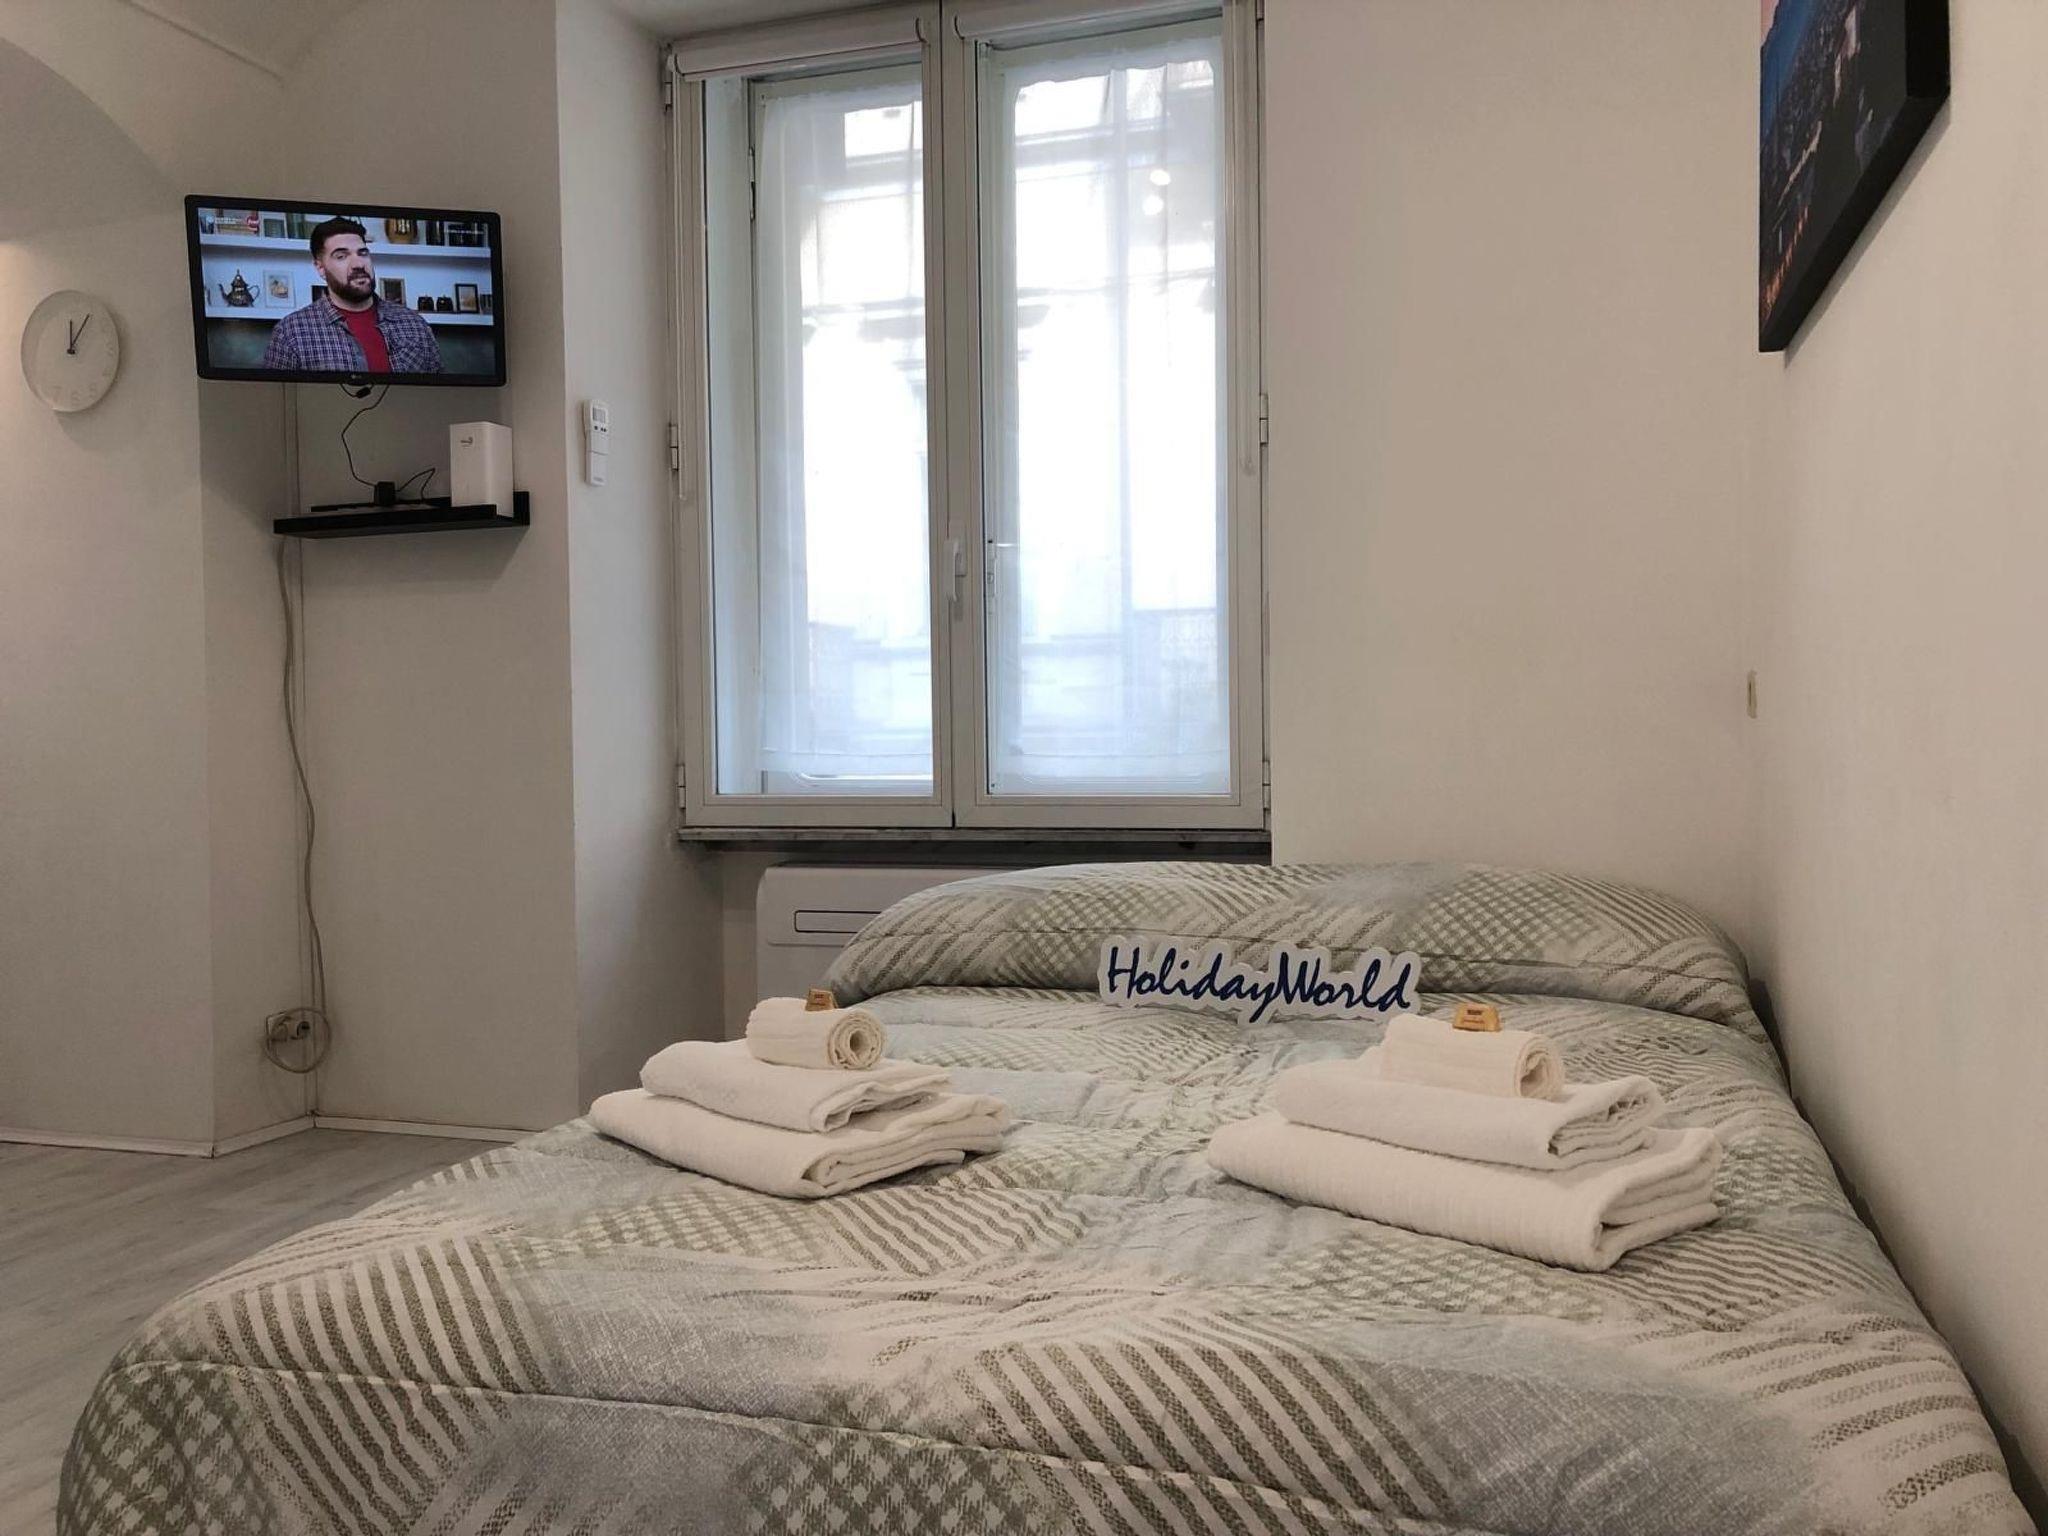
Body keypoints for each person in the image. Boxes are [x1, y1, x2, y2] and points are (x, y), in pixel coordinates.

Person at [259, 217, 442, 374]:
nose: (358, 264)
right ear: (320, 268)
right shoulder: (291, 333)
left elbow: (439, 395)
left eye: (362, 253)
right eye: (341, 256)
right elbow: (273, 397)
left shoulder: (415, 325)